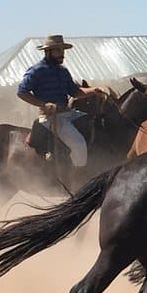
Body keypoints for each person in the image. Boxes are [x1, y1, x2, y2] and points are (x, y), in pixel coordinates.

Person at [17, 35, 102, 183]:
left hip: (68, 114)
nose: (62, 54)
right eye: (58, 50)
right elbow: (22, 92)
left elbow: (75, 92)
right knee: (79, 144)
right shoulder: (37, 71)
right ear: (48, 52)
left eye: (63, 50)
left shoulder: (63, 71)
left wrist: (95, 90)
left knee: (94, 124)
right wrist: (43, 105)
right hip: (50, 117)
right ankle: (78, 182)